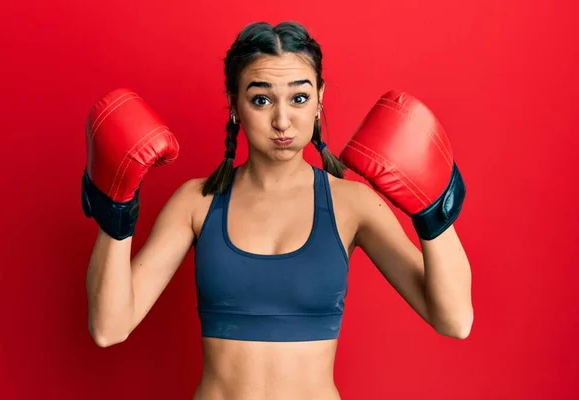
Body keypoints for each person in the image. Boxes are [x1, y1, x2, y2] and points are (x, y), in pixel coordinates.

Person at [82, 21, 473, 400]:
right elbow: (108, 328)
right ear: (235, 103)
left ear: (320, 98)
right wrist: (114, 213)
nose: (282, 120)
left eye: (299, 98)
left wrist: (435, 214)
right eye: (261, 99)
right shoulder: (196, 202)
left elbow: (454, 320)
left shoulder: (352, 205)